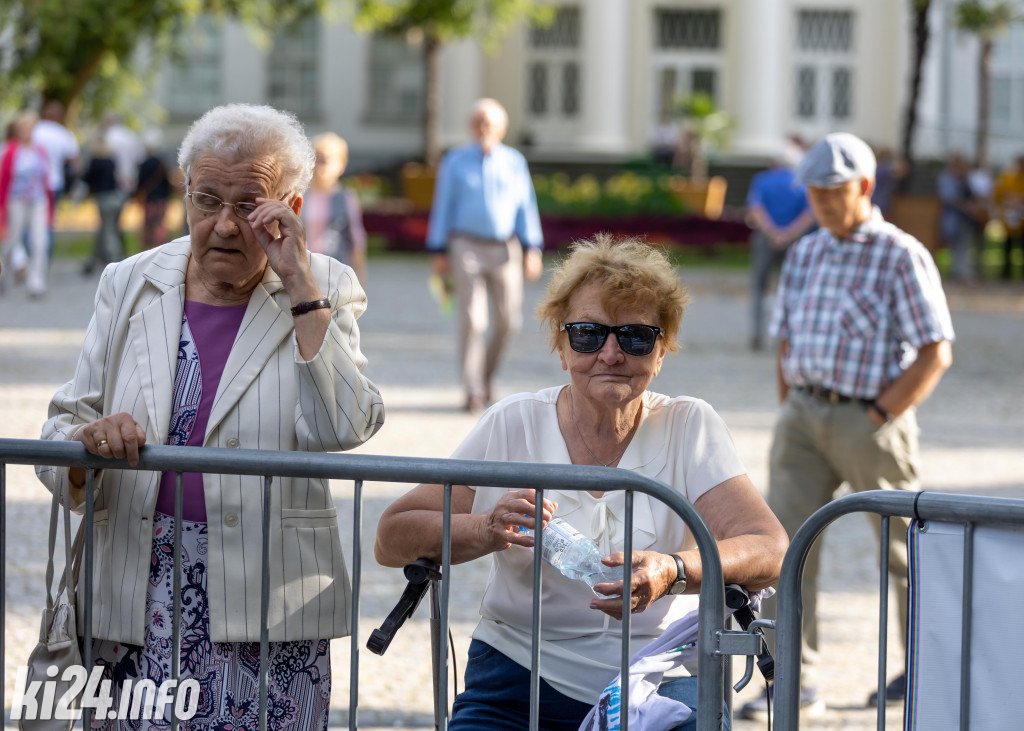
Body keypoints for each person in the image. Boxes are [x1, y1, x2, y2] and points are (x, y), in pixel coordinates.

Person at [36, 103, 386, 729]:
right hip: (135, 592)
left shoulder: (324, 285)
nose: (225, 225)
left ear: (291, 208)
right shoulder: (131, 281)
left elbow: (345, 426)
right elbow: (64, 423)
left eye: (250, 204)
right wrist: (87, 448)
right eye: (206, 200)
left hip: (269, 602)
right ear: (185, 195)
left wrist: (302, 287)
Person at [375, 235, 788, 731]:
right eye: (588, 334)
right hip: (517, 674)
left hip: (656, 677)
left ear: (662, 351)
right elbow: (392, 535)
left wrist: (674, 570)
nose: (611, 353)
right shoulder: (514, 422)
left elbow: (769, 547)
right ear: (560, 342)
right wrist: (485, 528)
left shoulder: (689, 425)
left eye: (635, 337)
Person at [739, 133, 954, 721]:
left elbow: (936, 349)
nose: (821, 203)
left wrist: (881, 413)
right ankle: (790, 678)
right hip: (803, 418)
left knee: (905, 551)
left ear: (862, 187)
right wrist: (790, 407)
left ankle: (923, 675)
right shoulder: (806, 252)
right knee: (783, 550)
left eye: (831, 193)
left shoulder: (900, 252)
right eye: (814, 193)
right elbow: (786, 338)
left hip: (871, 418)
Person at [427, 98, 544, 412]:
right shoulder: (455, 160)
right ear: (470, 127)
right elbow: (443, 205)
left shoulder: (514, 161)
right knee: (473, 321)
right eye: (479, 122)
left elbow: (526, 206)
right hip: (466, 246)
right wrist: (437, 248)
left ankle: (486, 376)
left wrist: (533, 247)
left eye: (490, 123)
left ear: (502, 128)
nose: (484, 128)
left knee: (509, 321)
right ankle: (473, 389)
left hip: (506, 247)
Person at [745, 144, 815, 351]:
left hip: (765, 239)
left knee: (759, 286)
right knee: (792, 289)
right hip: (794, 241)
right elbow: (809, 214)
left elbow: (755, 209)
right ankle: (786, 336)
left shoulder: (763, 180)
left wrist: (772, 232)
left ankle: (757, 333)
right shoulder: (800, 183)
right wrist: (788, 234)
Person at [300, 132, 367, 287]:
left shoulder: (345, 197)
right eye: (317, 159)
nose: (321, 165)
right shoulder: (300, 194)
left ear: (341, 164)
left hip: (334, 273)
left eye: (327, 160)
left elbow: (356, 240)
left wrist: (360, 281)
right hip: (302, 272)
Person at [0, 110, 51, 297]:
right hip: (16, 200)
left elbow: (46, 179)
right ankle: (4, 277)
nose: (27, 131)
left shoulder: (40, 150)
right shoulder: (10, 150)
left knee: (39, 243)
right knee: (12, 242)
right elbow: (4, 179)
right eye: (23, 128)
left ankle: (36, 283)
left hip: (38, 201)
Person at [32, 99, 81, 254]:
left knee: (30, 222)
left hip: (33, 184)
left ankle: (30, 257)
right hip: (54, 183)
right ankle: (45, 257)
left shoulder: (34, 130)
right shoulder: (64, 134)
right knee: (48, 223)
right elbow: (76, 162)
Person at [81, 137, 125, 272]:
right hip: (116, 196)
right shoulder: (111, 161)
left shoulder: (96, 162)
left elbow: (88, 178)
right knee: (107, 228)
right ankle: (96, 258)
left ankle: (116, 259)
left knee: (108, 230)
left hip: (104, 197)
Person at [135, 128, 173, 250]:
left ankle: (149, 248)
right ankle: (161, 248)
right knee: (160, 224)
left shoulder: (144, 164)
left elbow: (140, 183)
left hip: (150, 198)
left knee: (149, 224)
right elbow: (167, 182)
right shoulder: (162, 163)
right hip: (162, 199)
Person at [992, 154, 1024, 280]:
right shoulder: (1007, 177)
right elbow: (999, 194)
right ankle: (1006, 272)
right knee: (1008, 246)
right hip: (1011, 219)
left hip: (1021, 221)